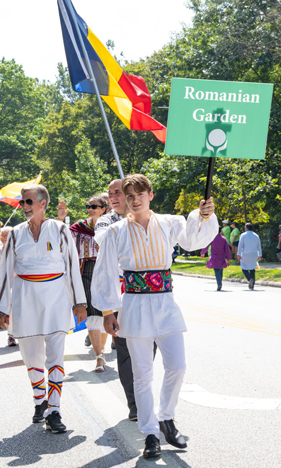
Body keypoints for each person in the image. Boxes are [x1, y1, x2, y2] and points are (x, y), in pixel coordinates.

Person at [92, 174, 218, 459]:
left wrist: (205, 216)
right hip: (134, 306)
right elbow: (105, 272)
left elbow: (194, 239)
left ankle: (167, 418)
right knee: (143, 374)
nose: (135, 200)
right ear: (124, 200)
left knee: (177, 365)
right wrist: (108, 311)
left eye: (140, 194)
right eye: (130, 196)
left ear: (150, 194)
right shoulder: (115, 232)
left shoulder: (171, 222)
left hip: (165, 304)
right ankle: (150, 433)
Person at [0, 184, 87, 434]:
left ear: (43, 203)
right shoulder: (15, 234)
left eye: (28, 202)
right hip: (25, 299)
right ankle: (39, 400)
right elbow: (5, 270)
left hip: (56, 299)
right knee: (32, 357)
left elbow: (72, 266)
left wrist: (79, 302)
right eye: (23, 202)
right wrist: (1, 307)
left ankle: (54, 409)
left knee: (55, 355)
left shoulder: (61, 230)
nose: (24, 207)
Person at [94, 179, 137, 421]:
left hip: (147, 294)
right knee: (125, 349)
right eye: (110, 193)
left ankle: (143, 395)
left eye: (118, 192)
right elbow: (104, 239)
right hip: (119, 293)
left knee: (146, 347)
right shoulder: (106, 220)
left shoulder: (147, 217)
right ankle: (134, 402)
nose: (112, 197)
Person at [70, 195, 108, 372]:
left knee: (106, 311)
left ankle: (102, 351)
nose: (91, 208)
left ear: (104, 209)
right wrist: (61, 218)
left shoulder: (111, 226)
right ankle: (99, 355)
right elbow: (63, 239)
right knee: (92, 311)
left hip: (107, 269)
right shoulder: (79, 228)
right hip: (85, 268)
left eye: (95, 206)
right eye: (89, 206)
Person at [237, 223, 263, 290]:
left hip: (245, 253)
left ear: (246, 228)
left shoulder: (243, 235)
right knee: (252, 268)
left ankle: (249, 279)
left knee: (244, 267)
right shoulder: (256, 235)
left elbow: (240, 245)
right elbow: (259, 246)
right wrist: (259, 255)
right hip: (253, 254)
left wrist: (239, 253)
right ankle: (252, 284)